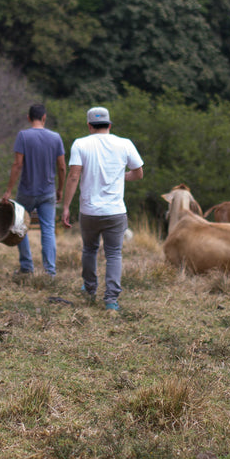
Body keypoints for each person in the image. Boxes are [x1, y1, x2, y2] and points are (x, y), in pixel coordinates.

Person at [61, 106, 145, 311]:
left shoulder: (80, 144)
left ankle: (90, 288)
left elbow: (73, 176)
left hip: (89, 211)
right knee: (114, 254)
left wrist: (65, 207)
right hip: (116, 211)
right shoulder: (124, 144)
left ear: (89, 126)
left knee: (89, 249)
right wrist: (121, 176)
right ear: (109, 124)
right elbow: (138, 173)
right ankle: (111, 300)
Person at [1, 103, 66, 276]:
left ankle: (26, 267)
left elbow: (17, 165)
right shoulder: (56, 137)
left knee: (20, 227)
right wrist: (60, 189)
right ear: (44, 118)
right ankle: (50, 272)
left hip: (26, 192)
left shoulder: (23, 136)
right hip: (48, 192)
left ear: (29, 118)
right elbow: (61, 167)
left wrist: (8, 190)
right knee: (48, 229)